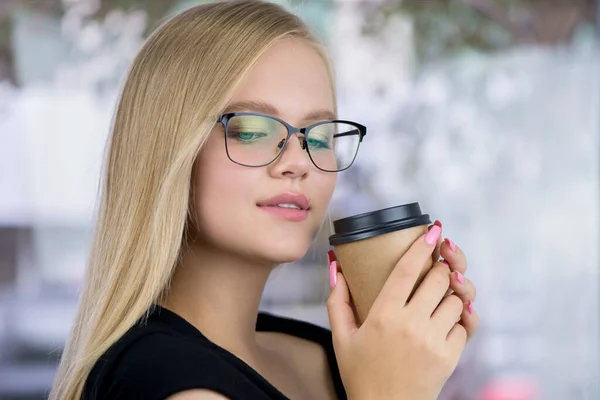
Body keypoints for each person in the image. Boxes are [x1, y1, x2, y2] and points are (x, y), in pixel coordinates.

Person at [49, 1, 479, 399]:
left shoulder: (321, 353)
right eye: (253, 130)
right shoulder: (175, 386)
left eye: (321, 136)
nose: (298, 161)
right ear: (168, 148)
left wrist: (404, 352)